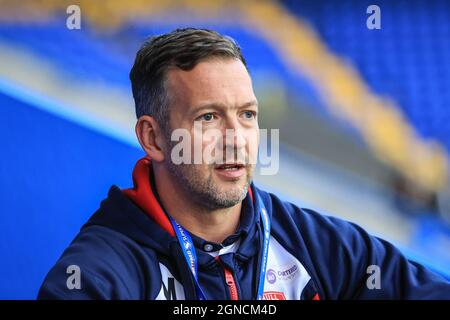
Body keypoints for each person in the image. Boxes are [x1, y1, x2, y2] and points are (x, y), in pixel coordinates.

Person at [38, 28, 450, 300]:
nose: (236, 138)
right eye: (209, 117)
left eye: (247, 115)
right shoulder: (95, 279)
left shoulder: (321, 246)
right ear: (153, 137)